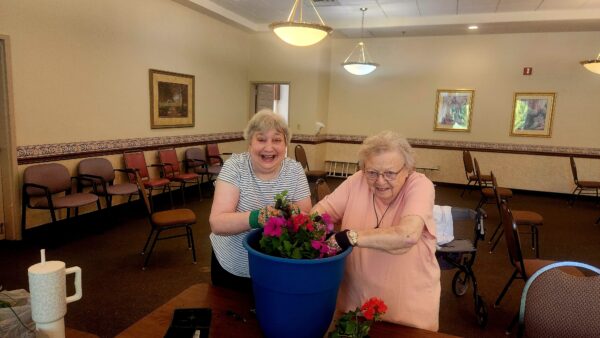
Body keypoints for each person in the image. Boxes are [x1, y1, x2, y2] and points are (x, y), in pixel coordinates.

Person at [312, 130, 440, 331]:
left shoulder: (420, 185)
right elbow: (321, 212)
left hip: (407, 315)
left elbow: (407, 236)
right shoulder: (357, 180)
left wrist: (349, 237)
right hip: (353, 308)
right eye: (372, 172)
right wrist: (312, 226)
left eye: (390, 173)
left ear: (407, 169)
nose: (380, 181)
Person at [209, 109, 312, 291]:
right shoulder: (235, 167)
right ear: (250, 143)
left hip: (278, 264)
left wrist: (296, 215)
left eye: (277, 140)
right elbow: (217, 223)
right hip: (233, 265)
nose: (269, 147)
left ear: (285, 144)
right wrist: (259, 217)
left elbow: (305, 216)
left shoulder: (295, 170)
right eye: (261, 139)